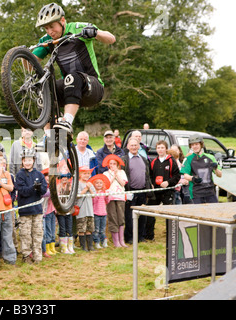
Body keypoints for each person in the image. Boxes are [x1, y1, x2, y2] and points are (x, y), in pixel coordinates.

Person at [32, 3, 115, 134]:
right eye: (46, 28)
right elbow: (31, 62)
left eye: (52, 27)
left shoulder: (78, 28)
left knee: (72, 77)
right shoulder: (48, 40)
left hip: (93, 88)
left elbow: (111, 39)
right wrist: (22, 56)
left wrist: (95, 33)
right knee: (45, 86)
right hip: (70, 91)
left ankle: (67, 121)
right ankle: (48, 135)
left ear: (62, 20)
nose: (50, 31)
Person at [15, 149, 47, 263]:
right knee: (25, 234)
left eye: (29, 160)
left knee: (38, 234)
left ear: (33, 160)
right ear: (22, 161)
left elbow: (44, 190)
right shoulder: (20, 175)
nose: (27, 162)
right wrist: (33, 188)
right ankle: (26, 255)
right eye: (25, 160)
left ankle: (38, 256)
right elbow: (22, 191)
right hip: (25, 211)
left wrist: (39, 188)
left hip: (37, 210)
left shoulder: (39, 174)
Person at [145, 141, 181, 240]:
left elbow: (177, 176)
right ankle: (149, 236)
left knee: (169, 215)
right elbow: (150, 176)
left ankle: (171, 237)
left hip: (168, 192)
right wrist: (152, 184)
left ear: (166, 149)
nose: (160, 149)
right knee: (150, 213)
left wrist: (168, 183)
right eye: (158, 148)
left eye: (162, 147)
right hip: (156, 192)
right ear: (156, 149)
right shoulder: (153, 162)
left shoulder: (171, 161)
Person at [122, 138, 153, 244]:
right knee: (129, 217)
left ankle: (140, 236)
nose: (134, 147)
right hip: (130, 192)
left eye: (136, 145)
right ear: (128, 147)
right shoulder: (124, 160)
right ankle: (129, 237)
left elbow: (147, 175)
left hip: (143, 192)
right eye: (132, 145)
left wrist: (149, 189)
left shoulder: (144, 159)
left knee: (142, 216)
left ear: (139, 146)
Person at [180, 134, 222, 204]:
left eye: (196, 144)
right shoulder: (188, 159)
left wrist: (215, 168)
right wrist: (193, 178)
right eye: (192, 145)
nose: (195, 146)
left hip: (210, 192)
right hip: (196, 192)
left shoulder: (210, 157)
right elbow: (185, 175)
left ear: (201, 144)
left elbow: (220, 175)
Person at [102, 155, 128, 248]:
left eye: (114, 164)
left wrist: (117, 175)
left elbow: (123, 183)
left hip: (120, 197)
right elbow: (107, 184)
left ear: (118, 165)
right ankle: (116, 241)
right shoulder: (106, 173)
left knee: (120, 218)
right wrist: (112, 176)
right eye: (111, 164)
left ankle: (122, 240)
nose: (112, 166)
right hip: (110, 198)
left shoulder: (122, 172)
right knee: (113, 217)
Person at [75, 166, 95, 252]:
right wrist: (86, 188)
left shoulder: (90, 184)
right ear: (80, 174)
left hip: (89, 210)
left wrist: (89, 188)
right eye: (84, 173)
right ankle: (83, 246)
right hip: (81, 210)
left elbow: (93, 195)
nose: (86, 175)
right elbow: (78, 195)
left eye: (88, 173)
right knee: (81, 228)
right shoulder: (78, 184)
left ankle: (90, 245)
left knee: (89, 229)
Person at [89, 174, 111, 249]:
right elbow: (93, 201)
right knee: (96, 229)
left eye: (100, 183)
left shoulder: (103, 192)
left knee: (102, 229)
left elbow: (107, 201)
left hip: (103, 213)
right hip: (96, 213)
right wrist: (96, 195)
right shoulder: (93, 193)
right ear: (94, 184)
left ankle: (104, 241)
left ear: (103, 184)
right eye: (97, 183)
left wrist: (107, 196)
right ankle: (96, 242)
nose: (99, 184)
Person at [41, 168, 57, 256]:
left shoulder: (53, 185)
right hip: (45, 211)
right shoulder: (44, 187)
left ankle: (52, 246)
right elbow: (46, 194)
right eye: (46, 176)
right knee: (47, 230)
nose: (48, 178)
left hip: (52, 210)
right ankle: (46, 247)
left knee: (52, 229)